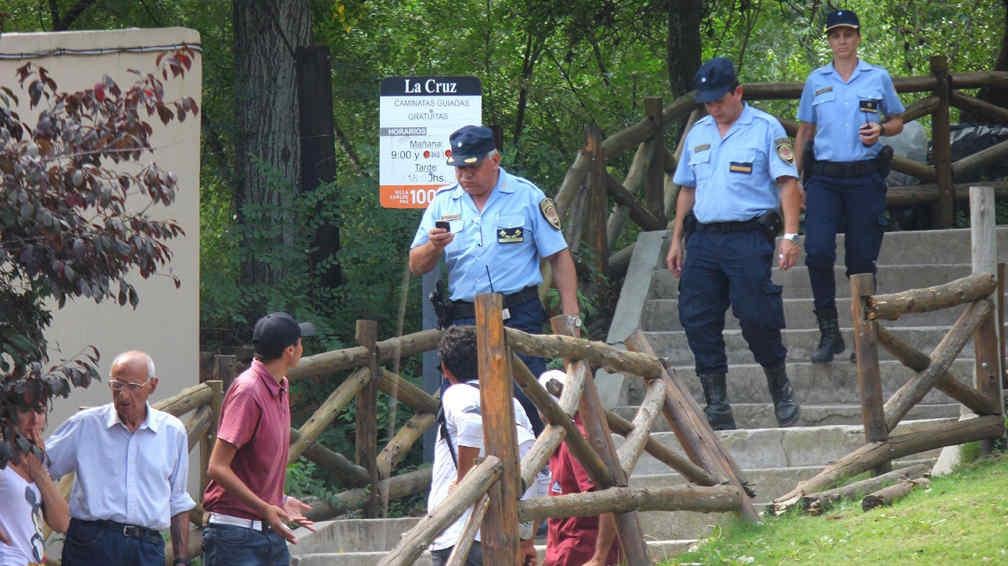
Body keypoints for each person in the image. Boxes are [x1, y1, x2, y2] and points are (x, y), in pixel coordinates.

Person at [409, 124, 582, 436]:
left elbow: (558, 255)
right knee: (463, 407)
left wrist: (571, 314)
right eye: (459, 168)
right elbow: (416, 264)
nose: (465, 176)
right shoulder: (443, 203)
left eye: (472, 168)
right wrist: (433, 247)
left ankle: (533, 477)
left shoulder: (527, 197)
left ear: (495, 160)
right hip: (465, 320)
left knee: (528, 402)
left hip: (518, 315)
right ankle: (470, 480)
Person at [666, 57, 802, 430]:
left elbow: (788, 183)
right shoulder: (699, 133)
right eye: (707, 101)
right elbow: (687, 188)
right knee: (697, 317)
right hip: (705, 239)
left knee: (756, 315)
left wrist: (790, 236)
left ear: (737, 92)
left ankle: (779, 385)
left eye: (720, 100)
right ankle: (717, 404)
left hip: (748, 236)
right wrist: (676, 238)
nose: (713, 107)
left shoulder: (765, 129)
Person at [795, 8, 905, 363]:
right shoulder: (816, 80)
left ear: (858, 37)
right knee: (818, 253)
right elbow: (804, 133)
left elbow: (898, 120)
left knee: (861, 258)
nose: (842, 41)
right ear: (828, 40)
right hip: (824, 178)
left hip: (864, 177)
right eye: (835, 35)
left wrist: (882, 130)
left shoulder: (877, 77)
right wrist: (795, 182)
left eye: (848, 34)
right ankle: (829, 333)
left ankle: (864, 333)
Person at [46, 350, 195, 566]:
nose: (123, 395)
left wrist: (181, 559)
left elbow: (178, 499)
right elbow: (39, 467)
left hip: (146, 546)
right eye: (116, 385)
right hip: (92, 542)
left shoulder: (172, 432)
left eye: (133, 386)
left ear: (152, 385)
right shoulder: (86, 425)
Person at [202, 312, 316, 566]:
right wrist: (265, 507)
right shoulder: (248, 391)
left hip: (267, 532)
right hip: (234, 537)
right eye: (300, 342)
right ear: (290, 351)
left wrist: (280, 500)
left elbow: (252, 465)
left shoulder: (280, 386)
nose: (302, 347)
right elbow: (217, 467)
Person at [427, 326, 545, 565]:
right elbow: (538, 471)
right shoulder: (513, 404)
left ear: (446, 370)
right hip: (502, 536)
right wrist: (526, 539)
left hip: (458, 534)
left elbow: (471, 425)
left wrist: (463, 483)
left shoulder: (456, 393)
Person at [537, 370, 619, 566]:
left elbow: (609, 499)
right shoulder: (563, 437)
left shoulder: (578, 441)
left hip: (581, 552)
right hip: (565, 549)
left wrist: (598, 558)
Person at [0, 406, 69, 565]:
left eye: (40, 411)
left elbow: (62, 523)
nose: (35, 419)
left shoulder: (36, 459)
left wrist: (40, 473)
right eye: (25, 410)